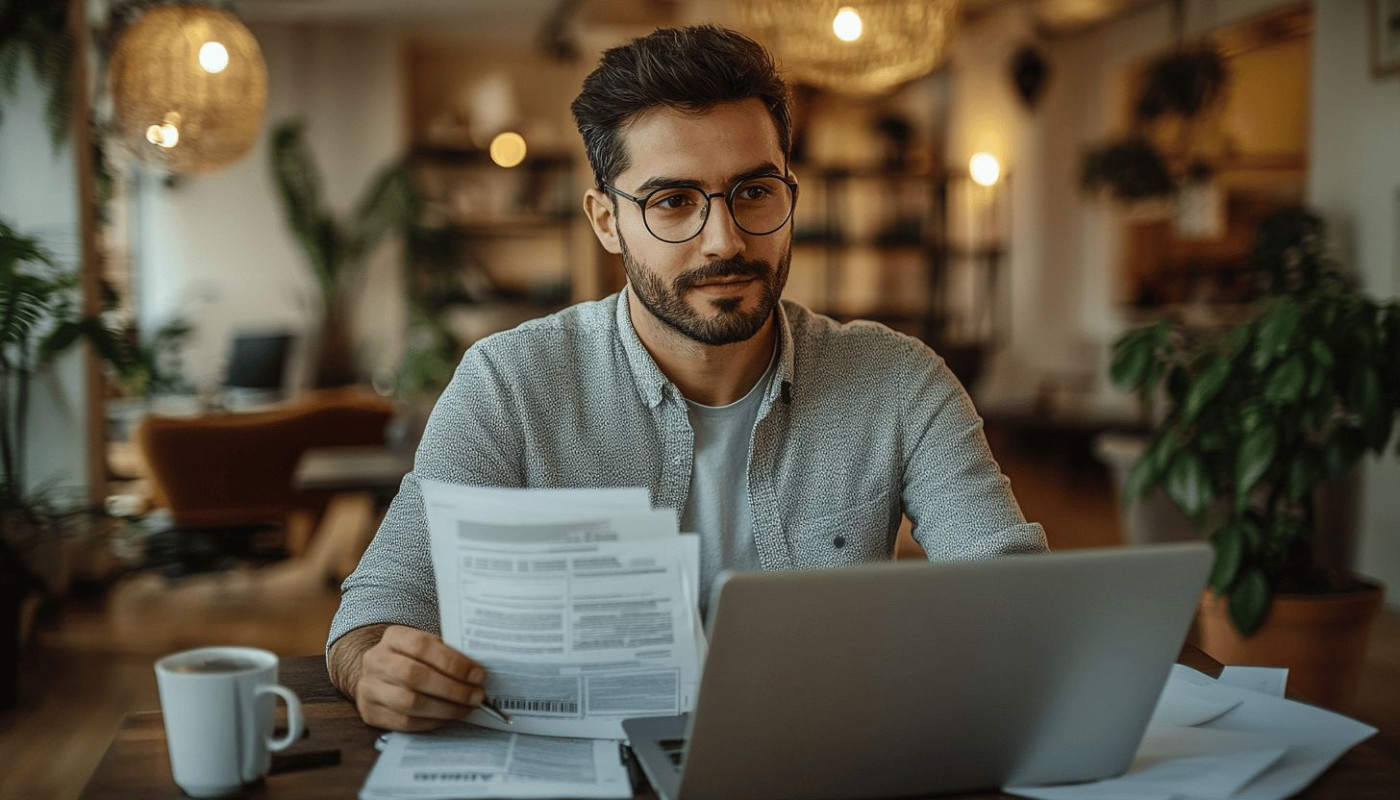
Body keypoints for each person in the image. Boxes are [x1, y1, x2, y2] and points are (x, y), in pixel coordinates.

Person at [327, 25, 1047, 732]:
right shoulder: (509, 384)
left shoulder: (899, 382)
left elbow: (1017, 595)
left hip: (818, 759)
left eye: (755, 192)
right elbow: (376, 610)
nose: (725, 239)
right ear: (607, 221)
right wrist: (379, 672)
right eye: (673, 201)